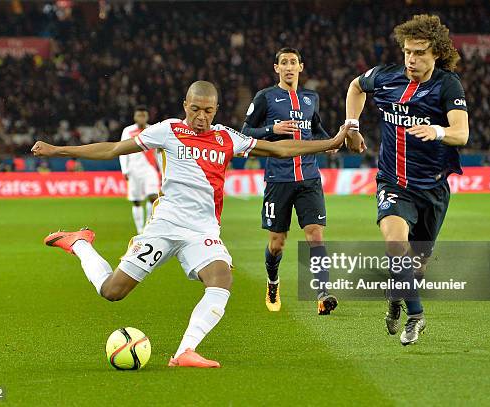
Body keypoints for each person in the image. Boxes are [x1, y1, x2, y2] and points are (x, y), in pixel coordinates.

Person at [32, 81, 351, 368]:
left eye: (208, 110)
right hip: (165, 227)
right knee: (112, 291)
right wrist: (58, 149)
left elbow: (280, 148)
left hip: (202, 232)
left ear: (216, 110)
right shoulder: (167, 130)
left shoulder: (226, 137)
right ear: (185, 105)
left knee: (221, 279)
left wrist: (332, 140)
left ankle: (185, 351)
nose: (201, 116)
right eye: (195, 109)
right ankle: (80, 244)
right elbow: (114, 149)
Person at [345, 15, 469, 345]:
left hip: (432, 188)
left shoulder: (447, 85)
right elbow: (356, 86)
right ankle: (416, 316)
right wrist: (352, 125)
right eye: (407, 52)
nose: (411, 59)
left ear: (436, 54)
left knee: (417, 266)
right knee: (395, 245)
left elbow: (462, 132)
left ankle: (396, 295)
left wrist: (438, 130)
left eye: (420, 53)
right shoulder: (386, 77)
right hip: (393, 182)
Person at [241, 47, 364, 315]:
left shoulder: (311, 99)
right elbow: (244, 132)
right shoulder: (265, 97)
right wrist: (271, 130)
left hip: (309, 177)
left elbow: (315, 129)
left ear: (301, 67)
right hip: (278, 179)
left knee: (316, 236)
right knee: (277, 243)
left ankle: (322, 293)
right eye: (283, 62)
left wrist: (330, 141)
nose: (288, 67)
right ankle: (273, 281)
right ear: (276, 68)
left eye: (292, 62)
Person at [119, 106, 161, 233]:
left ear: (147, 117)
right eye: (139, 115)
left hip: (150, 169)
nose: (141, 118)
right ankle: (139, 229)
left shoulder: (153, 129)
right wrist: (125, 169)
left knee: (153, 197)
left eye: (143, 115)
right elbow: (121, 150)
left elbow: (158, 151)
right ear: (135, 117)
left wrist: (161, 168)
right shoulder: (128, 131)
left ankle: (148, 225)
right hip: (134, 169)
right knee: (137, 201)